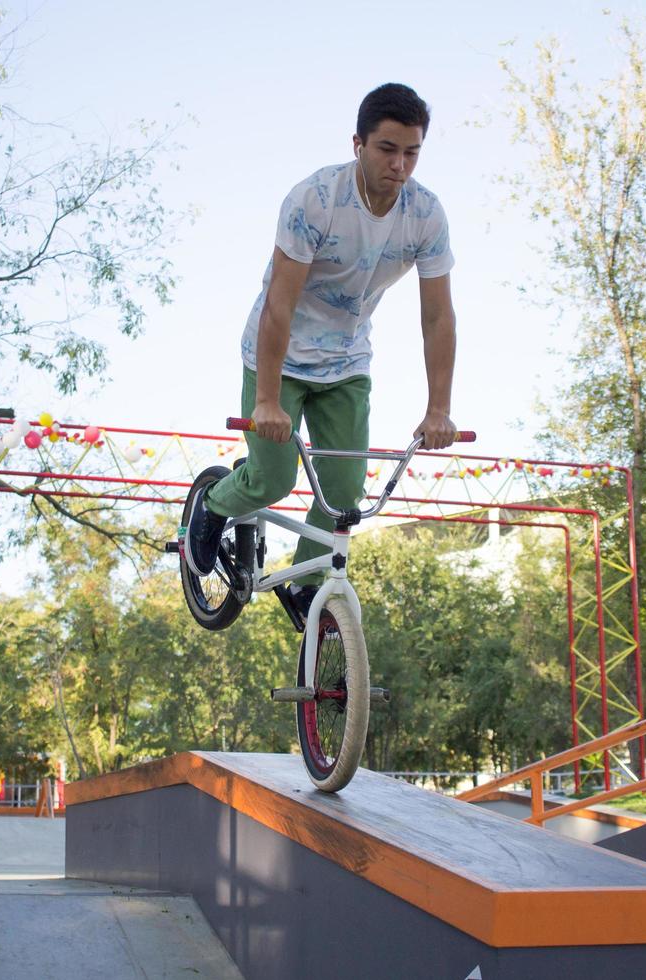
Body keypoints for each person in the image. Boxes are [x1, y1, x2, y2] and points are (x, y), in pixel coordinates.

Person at [186, 82, 459, 620]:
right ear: (358, 144)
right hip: (279, 357)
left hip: (347, 363)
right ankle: (212, 504)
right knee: (273, 480)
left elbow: (438, 317)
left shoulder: (425, 214)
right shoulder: (315, 200)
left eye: (411, 152)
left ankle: (307, 583)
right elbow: (278, 307)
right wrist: (267, 400)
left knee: (343, 496)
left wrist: (439, 408)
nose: (399, 165)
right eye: (387, 149)